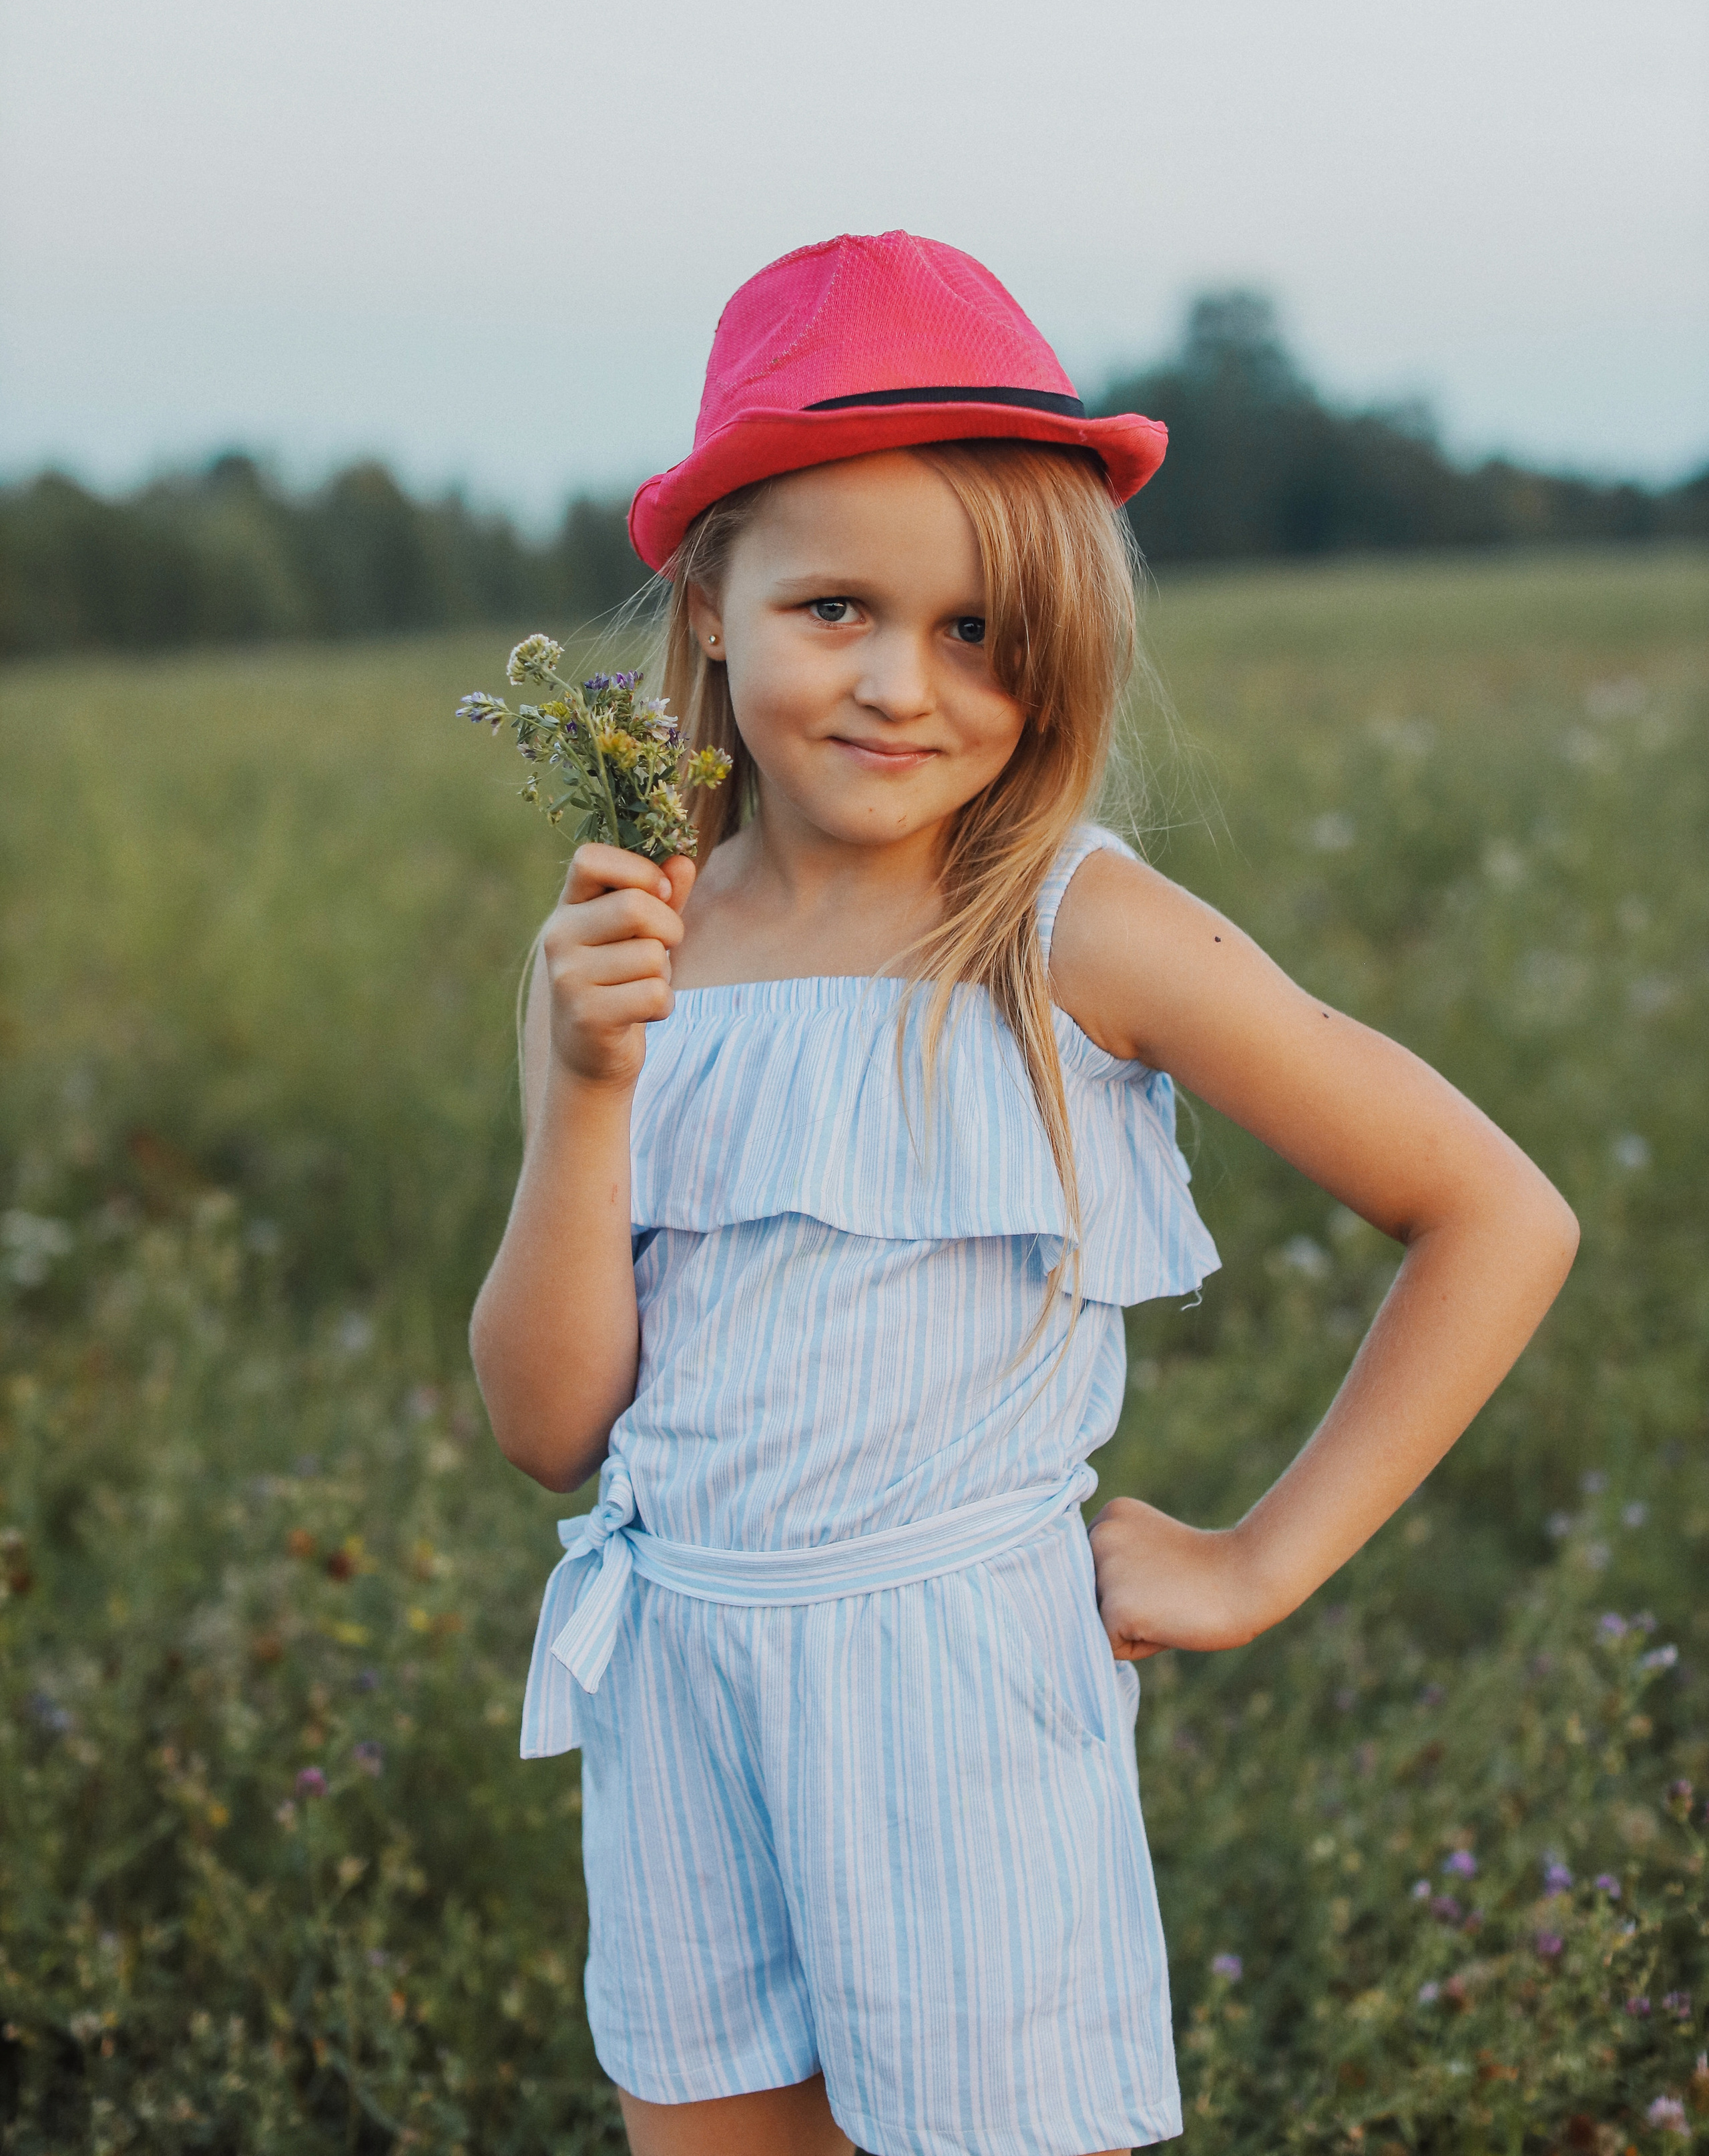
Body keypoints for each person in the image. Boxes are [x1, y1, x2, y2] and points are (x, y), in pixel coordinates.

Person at [470, 231, 1577, 2156]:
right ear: (711, 598)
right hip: (676, 1689)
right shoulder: (635, 936)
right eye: (838, 607)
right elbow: (549, 1421)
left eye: (981, 630)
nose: (908, 684)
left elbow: (1498, 1213)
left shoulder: (1074, 925)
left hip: (955, 1714)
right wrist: (583, 1089)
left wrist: (1255, 1564)